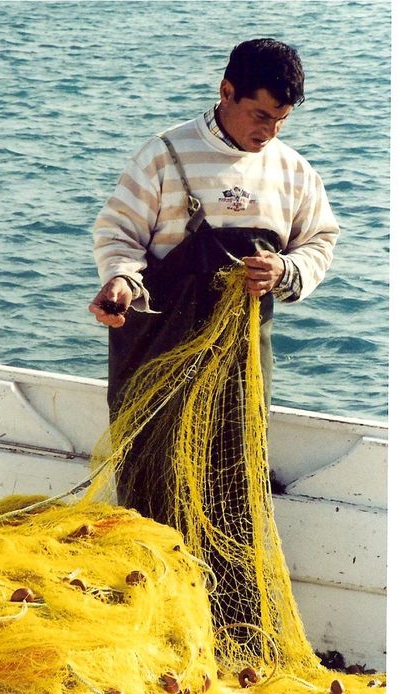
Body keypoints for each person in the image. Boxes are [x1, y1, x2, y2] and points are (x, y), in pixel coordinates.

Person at [88, 38, 340, 628]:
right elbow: (117, 233)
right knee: (153, 478)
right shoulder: (164, 156)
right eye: (259, 115)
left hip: (241, 359)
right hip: (158, 352)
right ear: (226, 93)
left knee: (232, 483)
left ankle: (230, 630)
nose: (269, 132)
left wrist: (286, 270)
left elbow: (320, 241)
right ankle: (155, 625)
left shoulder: (292, 171)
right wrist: (121, 281)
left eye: (280, 120)